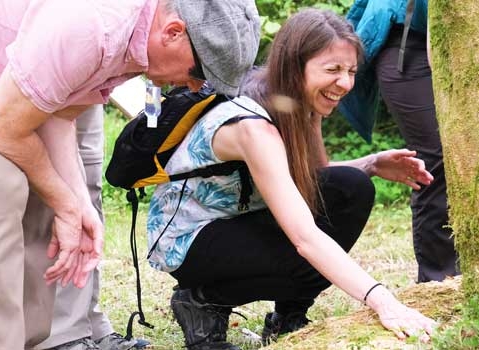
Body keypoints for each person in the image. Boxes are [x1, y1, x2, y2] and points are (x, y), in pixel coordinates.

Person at [145, 9, 437, 350]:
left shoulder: (295, 104)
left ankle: (289, 315)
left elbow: (314, 179)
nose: (344, 83)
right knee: (310, 253)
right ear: (295, 66)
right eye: (332, 70)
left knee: (349, 188)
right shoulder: (253, 120)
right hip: (190, 239)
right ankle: (202, 299)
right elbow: (305, 236)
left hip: (237, 221)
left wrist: (371, 163)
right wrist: (384, 302)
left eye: (351, 71)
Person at [0, 0, 260, 348]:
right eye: (200, 74)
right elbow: (3, 127)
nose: (195, 89)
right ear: (173, 32)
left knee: (44, 212)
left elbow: (58, 114)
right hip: (0, 93)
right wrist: (66, 203)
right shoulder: (94, 25)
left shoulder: (137, 48)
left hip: (13, 91)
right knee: (3, 191)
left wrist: (73, 204)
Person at [340, 0, 479, 283]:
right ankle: (439, 280)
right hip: (407, 43)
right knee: (436, 156)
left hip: (473, 43)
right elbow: (439, 50)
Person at [35, 106, 149, 350]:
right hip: (31, 78)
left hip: (90, 85)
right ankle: (62, 333)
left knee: (88, 182)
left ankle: (88, 320)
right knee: (53, 193)